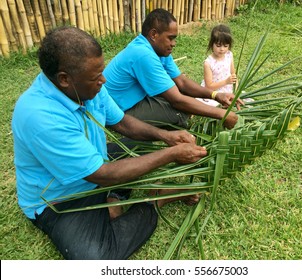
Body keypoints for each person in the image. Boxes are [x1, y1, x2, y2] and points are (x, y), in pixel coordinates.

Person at [11, 26, 207, 260]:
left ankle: (114, 197)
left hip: (95, 164)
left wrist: (167, 136)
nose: (103, 81)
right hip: (61, 199)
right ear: (65, 79)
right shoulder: (40, 116)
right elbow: (102, 174)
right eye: (96, 77)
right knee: (97, 259)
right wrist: (172, 154)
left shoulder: (87, 88)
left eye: (101, 72)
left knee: (134, 144)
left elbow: (122, 123)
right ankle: (156, 198)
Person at [103, 8, 243, 129]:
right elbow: (177, 100)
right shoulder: (143, 54)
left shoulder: (158, 49)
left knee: (188, 99)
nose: (174, 43)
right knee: (181, 112)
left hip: (135, 99)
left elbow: (181, 82)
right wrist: (222, 114)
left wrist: (216, 96)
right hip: (117, 110)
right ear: (153, 34)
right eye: (170, 38)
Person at [198, 24, 238, 107]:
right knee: (214, 105)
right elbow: (209, 87)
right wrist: (226, 82)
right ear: (212, 44)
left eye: (226, 46)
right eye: (218, 45)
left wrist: (236, 86)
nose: (222, 49)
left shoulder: (229, 55)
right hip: (214, 92)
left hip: (227, 89)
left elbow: (233, 73)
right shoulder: (208, 63)